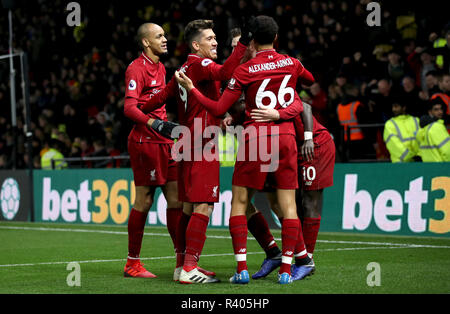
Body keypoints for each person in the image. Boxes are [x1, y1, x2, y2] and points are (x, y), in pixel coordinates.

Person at [175, 15, 309, 284]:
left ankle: (302, 258)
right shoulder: (280, 64)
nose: (240, 52)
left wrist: (301, 130)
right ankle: (276, 255)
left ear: (251, 43)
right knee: (259, 204)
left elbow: (300, 104)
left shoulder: (244, 70)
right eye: (235, 47)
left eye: (243, 45)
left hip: (269, 136)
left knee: (267, 203)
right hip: (262, 136)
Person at [139, 19, 249, 284]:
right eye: (210, 39)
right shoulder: (200, 64)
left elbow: (159, 98)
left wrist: (138, 106)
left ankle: (181, 266)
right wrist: (245, 42)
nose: (215, 42)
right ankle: (190, 268)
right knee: (203, 205)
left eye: (215, 38)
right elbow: (224, 73)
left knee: (188, 207)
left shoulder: (182, 69)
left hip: (188, 142)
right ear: (196, 45)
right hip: (203, 144)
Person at [122, 23, 183, 278]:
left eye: (165, 35)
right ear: (146, 42)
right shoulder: (136, 68)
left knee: (177, 200)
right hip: (145, 142)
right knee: (144, 201)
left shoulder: (161, 67)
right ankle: (132, 263)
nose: (165, 39)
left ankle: (182, 262)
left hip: (165, 142)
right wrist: (154, 122)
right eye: (159, 36)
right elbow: (129, 108)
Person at [249, 102, 335, 281]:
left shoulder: (280, 86)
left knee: (309, 202)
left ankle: (306, 261)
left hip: (314, 144)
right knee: (287, 203)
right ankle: (292, 256)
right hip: (289, 148)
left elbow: (307, 107)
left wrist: (309, 138)